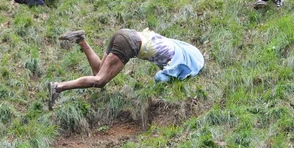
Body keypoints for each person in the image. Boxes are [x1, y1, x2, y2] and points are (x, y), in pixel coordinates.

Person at [48, 29, 204, 110]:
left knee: (98, 72)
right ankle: (58, 87)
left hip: (125, 34)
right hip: (129, 44)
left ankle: (81, 40)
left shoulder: (173, 47)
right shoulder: (176, 62)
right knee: (100, 81)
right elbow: (160, 78)